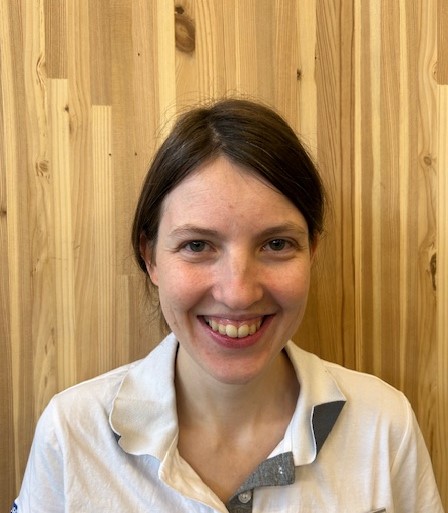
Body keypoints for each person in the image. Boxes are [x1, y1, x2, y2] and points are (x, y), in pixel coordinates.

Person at [12, 99, 444, 513]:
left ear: (311, 252)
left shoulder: (384, 426)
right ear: (151, 258)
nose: (238, 294)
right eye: (197, 245)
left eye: (277, 244)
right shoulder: (72, 435)